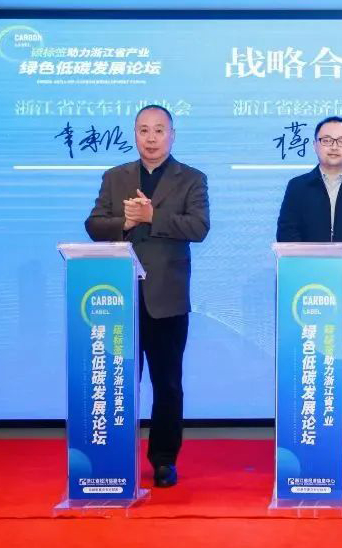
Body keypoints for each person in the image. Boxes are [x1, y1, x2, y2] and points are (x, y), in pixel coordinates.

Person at [85, 104, 210, 488]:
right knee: (119, 382)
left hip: (166, 299)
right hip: (118, 298)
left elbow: (199, 227)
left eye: (159, 130)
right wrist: (125, 221)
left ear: (172, 135)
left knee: (167, 384)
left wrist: (153, 217)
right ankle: (114, 455)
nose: (151, 138)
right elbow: (93, 224)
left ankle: (164, 460)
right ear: (135, 134)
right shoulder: (115, 177)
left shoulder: (191, 178)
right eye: (143, 130)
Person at [276, 116, 342, 485]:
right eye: (327, 139)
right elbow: (287, 234)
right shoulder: (297, 188)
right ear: (315, 145)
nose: (334, 146)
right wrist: (316, 275)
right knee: (308, 374)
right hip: (307, 299)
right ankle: (309, 452)